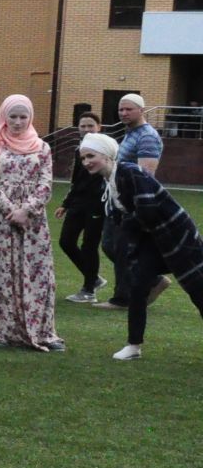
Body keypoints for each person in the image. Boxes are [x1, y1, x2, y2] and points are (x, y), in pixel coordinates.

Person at [78, 132, 203, 360]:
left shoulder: (130, 172)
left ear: (106, 156)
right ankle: (133, 346)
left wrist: (126, 227)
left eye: (90, 156)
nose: (86, 162)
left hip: (177, 237)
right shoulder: (109, 182)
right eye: (83, 157)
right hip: (151, 240)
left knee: (198, 291)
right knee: (137, 287)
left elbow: (147, 209)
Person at [0, 94, 64, 351]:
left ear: (30, 117)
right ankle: (2, 332)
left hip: (33, 223)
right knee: (2, 275)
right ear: (4, 117)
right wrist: (10, 209)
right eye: (12, 116)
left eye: (22, 116)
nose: (17, 122)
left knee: (37, 275)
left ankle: (42, 331)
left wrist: (26, 210)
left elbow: (45, 185)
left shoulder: (42, 148)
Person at [99, 93, 164, 308]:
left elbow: (146, 174)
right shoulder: (131, 133)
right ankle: (152, 280)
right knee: (112, 245)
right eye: (121, 109)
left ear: (142, 110)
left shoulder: (147, 136)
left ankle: (123, 298)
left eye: (129, 109)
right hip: (119, 199)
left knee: (120, 247)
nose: (124, 113)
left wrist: (133, 205)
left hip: (130, 202)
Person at [55, 112, 107, 303]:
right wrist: (66, 204)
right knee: (66, 241)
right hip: (78, 204)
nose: (86, 129)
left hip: (97, 205)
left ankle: (88, 290)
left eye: (90, 126)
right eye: (82, 126)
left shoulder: (105, 150)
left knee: (89, 245)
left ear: (99, 127)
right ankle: (94, 278)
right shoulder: (80, 150)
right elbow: (76, 180)